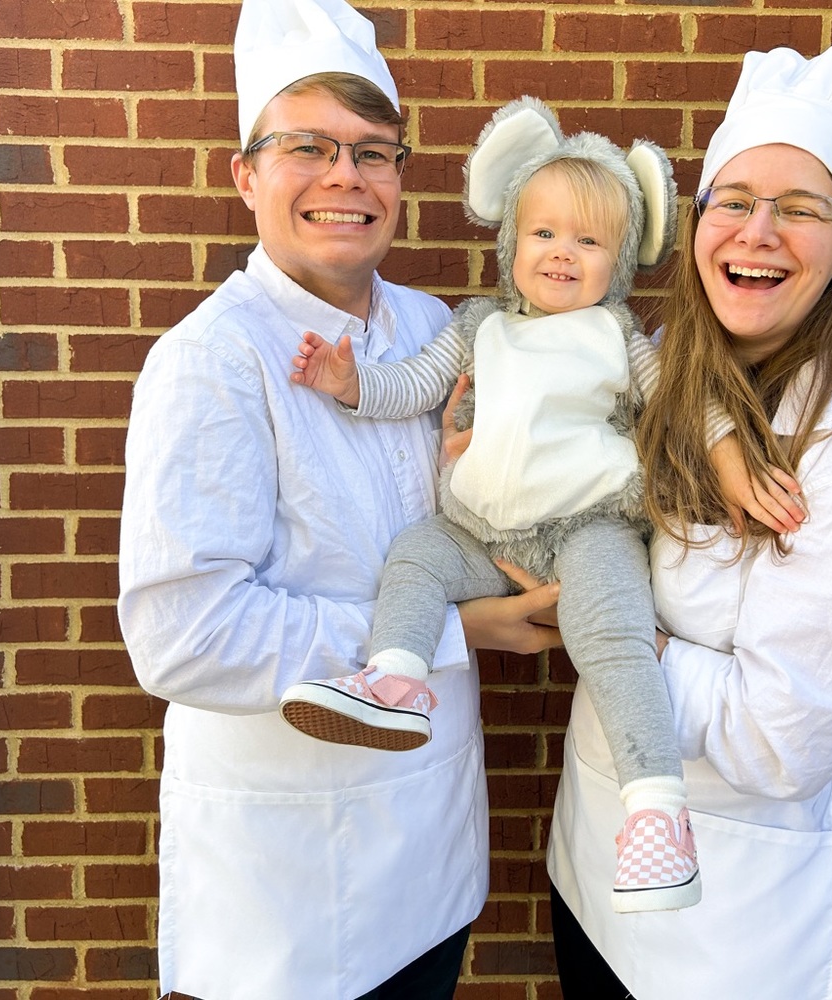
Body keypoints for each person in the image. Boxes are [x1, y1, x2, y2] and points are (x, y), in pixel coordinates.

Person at [116, 2, 564, 997]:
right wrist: (457, 633)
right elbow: (184, 636)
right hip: (288, 900)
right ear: (246, 174)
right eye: (306, 147)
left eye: (372, 151)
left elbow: (451, 521)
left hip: (430, 854)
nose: (344, 177)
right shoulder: (212, 360)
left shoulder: (431, 329)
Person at [278, 97, 805, 915]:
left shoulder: (617, 335)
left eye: (589, 242)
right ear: (511, 244)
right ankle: (397, 678)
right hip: (479, 531)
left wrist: (733, 463)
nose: (562, 253)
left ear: (620, 263)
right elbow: (415, 385)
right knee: (414, 556)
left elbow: (686, 407)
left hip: (590, 528)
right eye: (544, 233)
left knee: (614, 639)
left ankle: (656, 814)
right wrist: (352, 385)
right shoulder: (478, 325)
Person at [545, 37, 832, 1000]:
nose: (757, 233)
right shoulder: (665, 361)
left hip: (736, 917)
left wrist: (606, 626)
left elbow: (781, 738)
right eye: (734, 201)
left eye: (800, 210)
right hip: (593, 863)